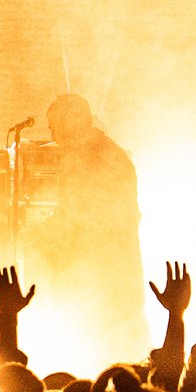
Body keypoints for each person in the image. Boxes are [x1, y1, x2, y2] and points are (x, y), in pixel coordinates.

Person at [24, 92, 143, 359]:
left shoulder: (94, 157)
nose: (53, 136)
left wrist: (35, 233)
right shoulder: (99, 151)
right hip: (108, 267)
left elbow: (82, 216)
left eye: (54, 127)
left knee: (102, 342)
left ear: (71, 121)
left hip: (103, 269)